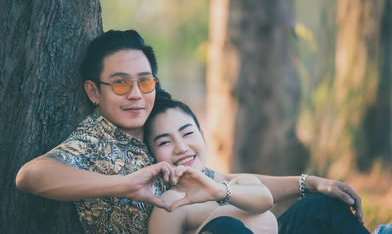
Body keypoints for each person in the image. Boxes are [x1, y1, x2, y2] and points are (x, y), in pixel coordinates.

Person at [15, 29, 369, 233]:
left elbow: (227, 178)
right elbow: (30, 175)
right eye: (120, 85)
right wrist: (125, 184)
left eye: (144, 81)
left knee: (323, 207)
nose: (136, 94)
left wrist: (311, 183)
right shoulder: (96, 140)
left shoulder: (157, 124)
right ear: (94, 91)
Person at [143, 96, 278, 233]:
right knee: (225, 225)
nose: (181, 148)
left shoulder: (236, 183)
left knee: (301, 209)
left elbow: (266, 200)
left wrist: (218, 191)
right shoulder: (173, 201)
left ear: (202, 136)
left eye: (188, 133)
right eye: (164, 142)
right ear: (152, 156)